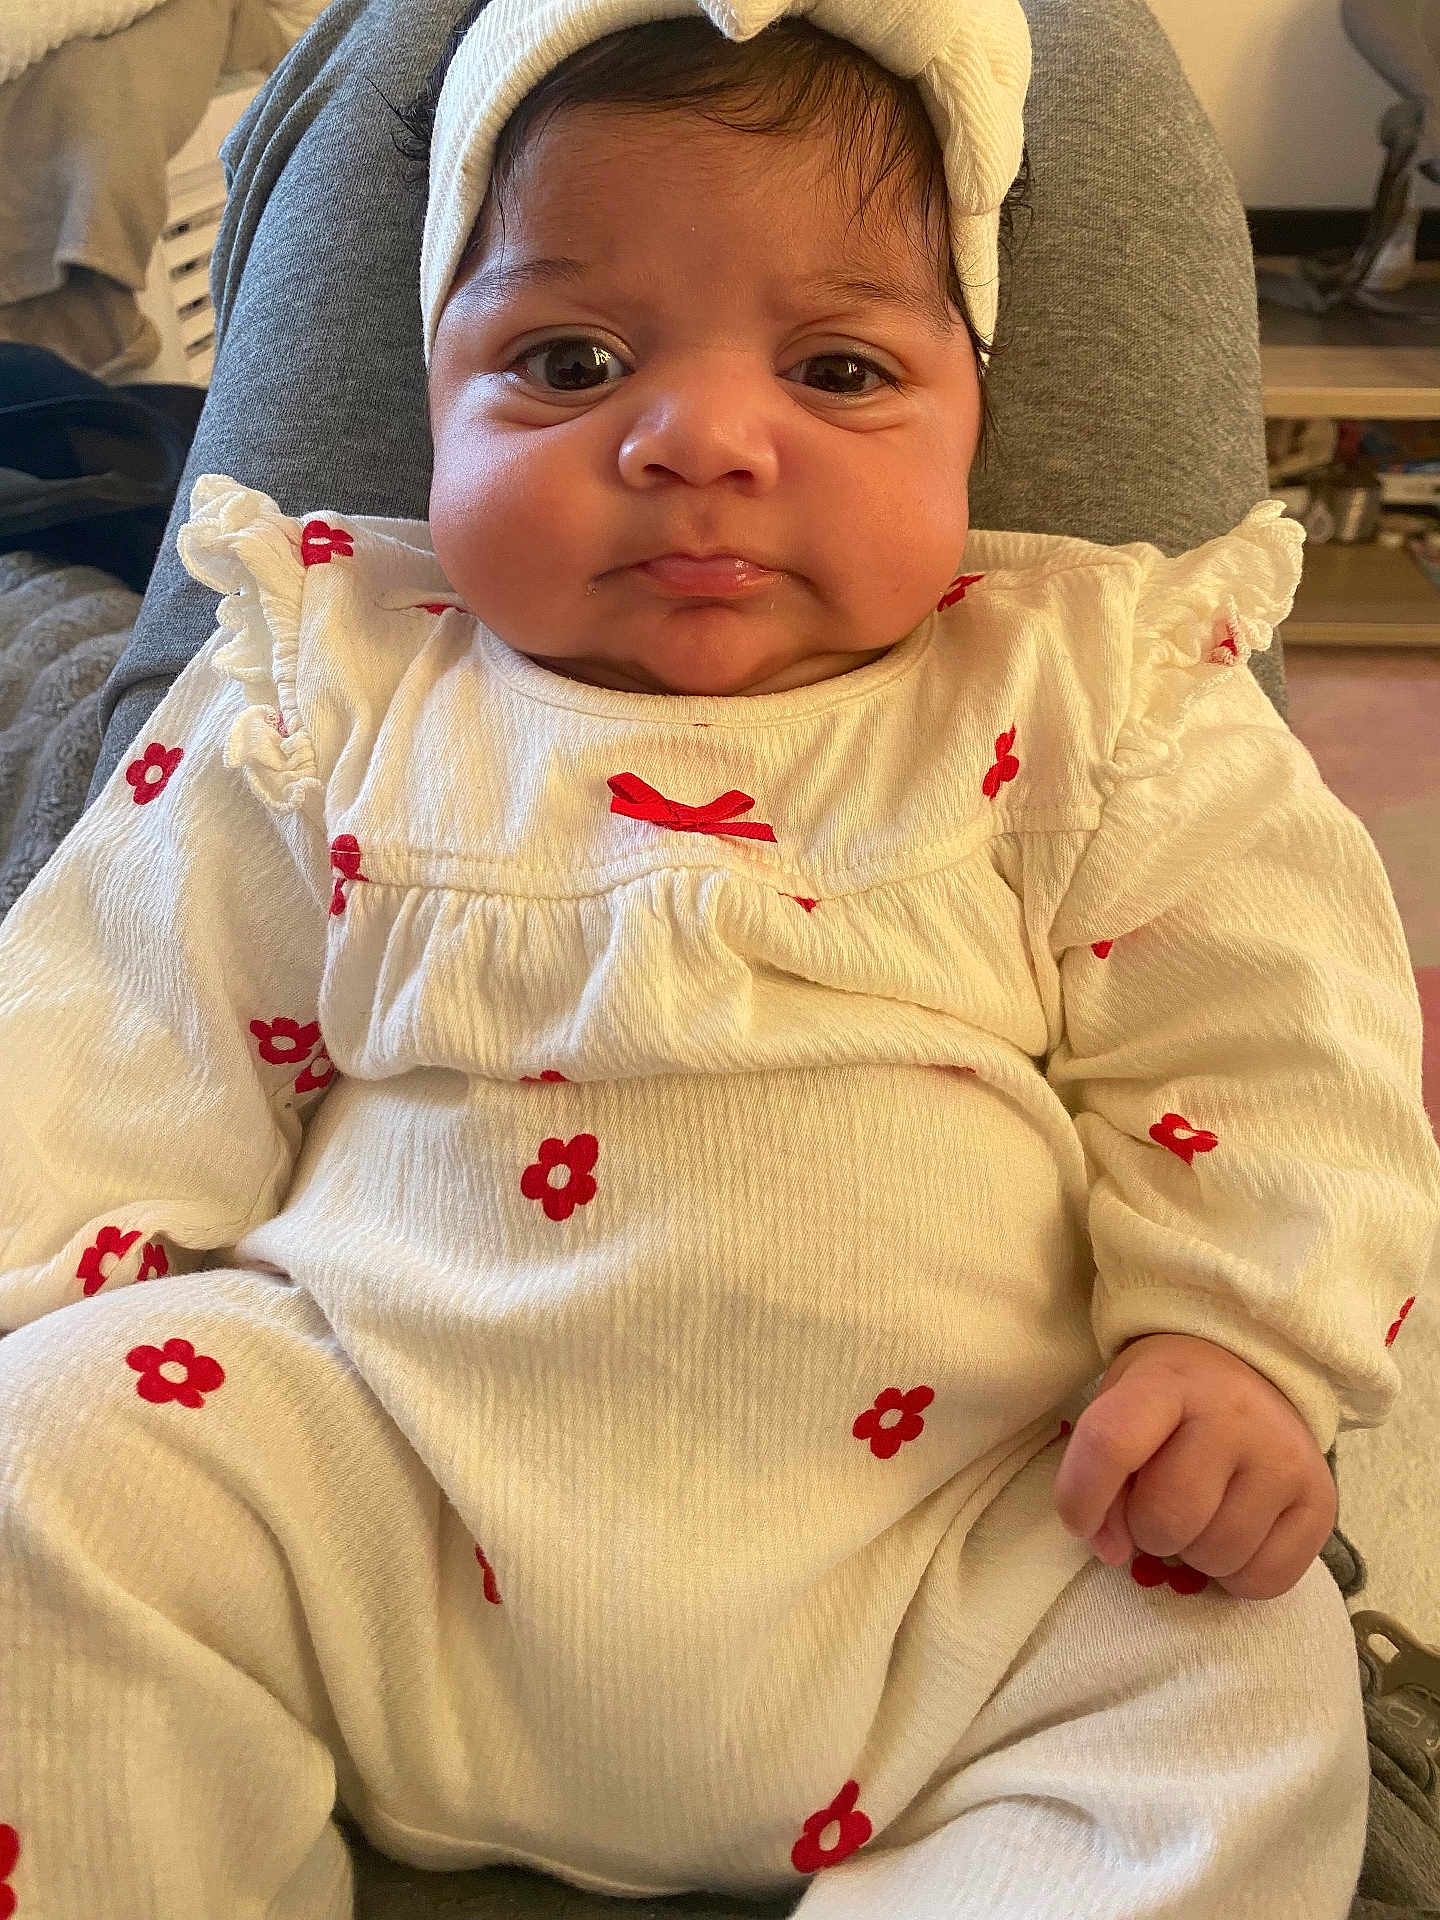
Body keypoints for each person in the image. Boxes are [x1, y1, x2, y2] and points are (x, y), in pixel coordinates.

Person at [1, 1, 1437, 1916]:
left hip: (954, 1557)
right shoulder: (326, 687)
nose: (697, 439)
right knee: (51, 1469)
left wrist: (1241, 1344)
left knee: (1246, 1682)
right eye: (569, 360)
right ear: (426, 398)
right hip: (381, 1488)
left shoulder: (1095, 703)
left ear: (979, 416)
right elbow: (109, 1022)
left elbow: (1284, 1042)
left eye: (841, 369)